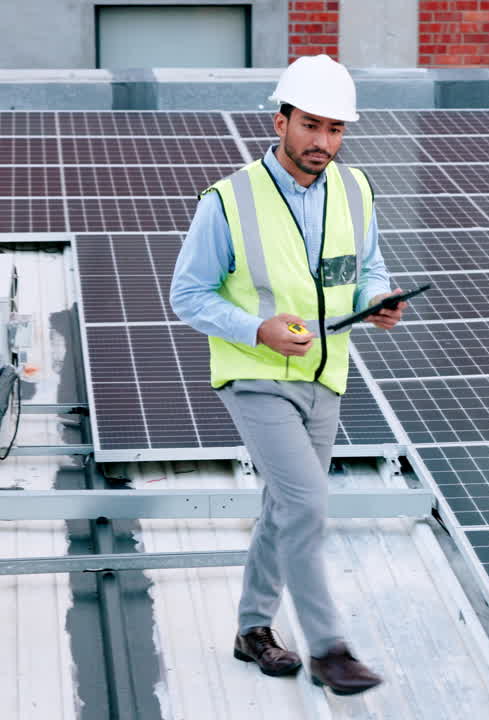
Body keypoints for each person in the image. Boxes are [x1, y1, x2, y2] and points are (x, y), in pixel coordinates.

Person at [170, 54, 406, 696]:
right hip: (253, 375)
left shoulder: (357, 191)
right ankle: (330, 649)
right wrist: (257, 329)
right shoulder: (229, 199)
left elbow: (371, 266)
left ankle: (253, 630)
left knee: (283, 507)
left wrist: (378, 301)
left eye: (336, 130)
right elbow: (187, 295)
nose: (322, 143)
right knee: (306, 503)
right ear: (281, 122)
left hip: (327, 376)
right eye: (311, 126)